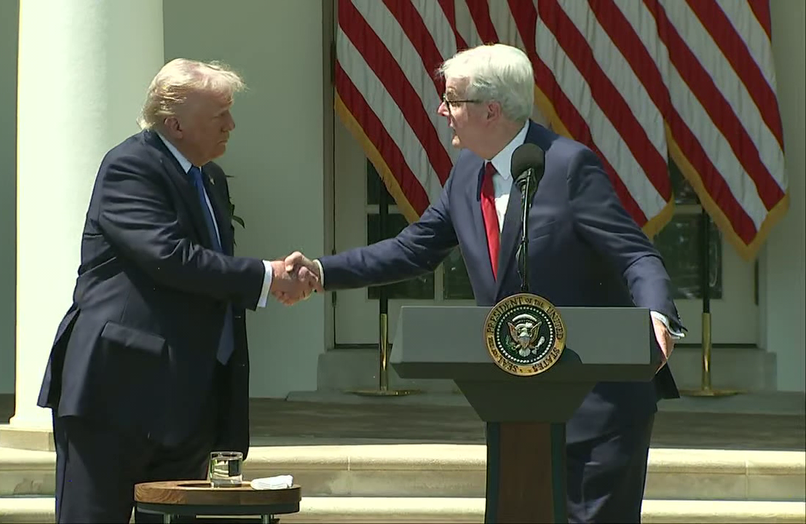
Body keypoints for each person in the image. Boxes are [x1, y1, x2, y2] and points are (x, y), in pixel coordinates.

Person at [282, 43, 685, 523]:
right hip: (518, 406)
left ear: (491, 110)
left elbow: (635, 254)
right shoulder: (468, 171)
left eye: (452, 100)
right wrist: (322, 272)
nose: (442, 110)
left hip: (597, 403)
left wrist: (657, 316)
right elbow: (412, 249)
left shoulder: (569, 166)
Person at [36, 58, 314, 523]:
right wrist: (266, 277)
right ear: (175, 124)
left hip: (189, 399)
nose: (231, 124)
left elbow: (208, 279)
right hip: (115, 394)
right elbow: (170, 258)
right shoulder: (131, 165)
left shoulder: (210, 178)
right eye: (218, 115)